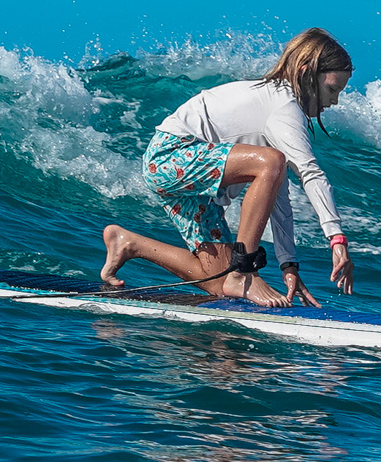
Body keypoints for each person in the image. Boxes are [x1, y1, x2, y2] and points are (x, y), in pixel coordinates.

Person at [99, 28, 356, 307]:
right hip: (169, 156)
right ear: (306, 73)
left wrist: (288, 264)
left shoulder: (280, 116)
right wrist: (336, 238)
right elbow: (310, 173)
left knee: (220, 283)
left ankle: (128, 243)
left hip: (194, 183)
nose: (334, 101)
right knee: (272, 162)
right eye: (332, 89)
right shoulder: (283, 105)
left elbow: (278, 199)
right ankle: (243, 272)